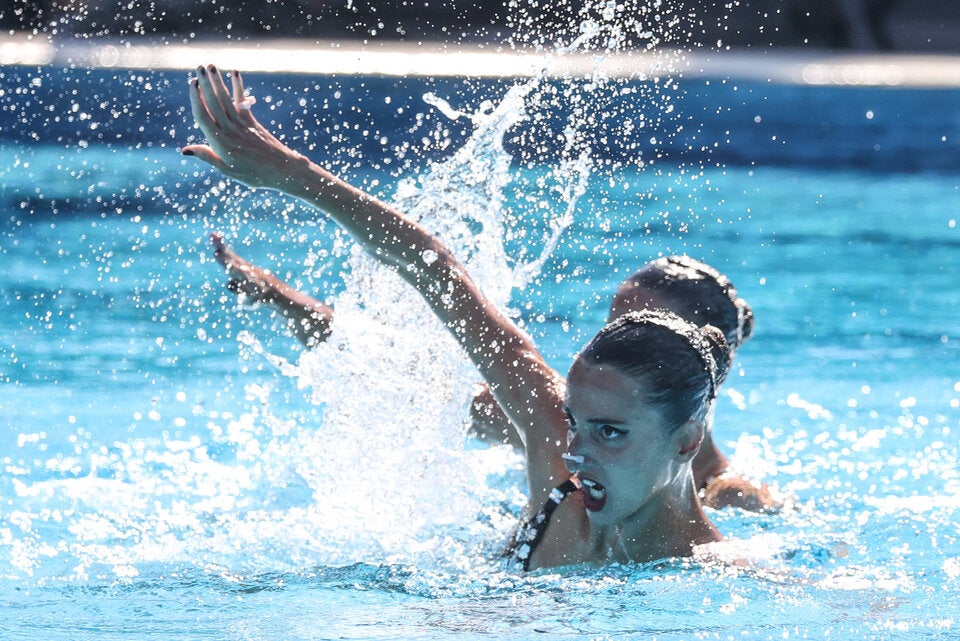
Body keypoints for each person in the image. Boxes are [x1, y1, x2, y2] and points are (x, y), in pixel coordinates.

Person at [183, 65, 728, 570]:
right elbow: (433, 267)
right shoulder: (555, 452)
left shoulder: (720, 583)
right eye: (575, 422)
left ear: (686, 441)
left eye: (609, 432)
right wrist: (292, 174)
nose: (575, 453)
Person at [211, 234, 781, 512]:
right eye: (615, 321)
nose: (617, 340)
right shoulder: (566, 424)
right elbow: (411, 379)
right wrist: (280, 298)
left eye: (644, 326)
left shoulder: (735, 499)